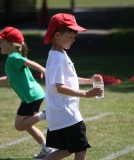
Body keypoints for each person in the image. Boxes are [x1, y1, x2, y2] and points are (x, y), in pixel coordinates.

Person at [0, 26, 54, 159]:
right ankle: (46, 149)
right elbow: (8, 80)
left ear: (10, 44)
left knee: (19, 126)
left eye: (1, 41)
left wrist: (44, 71)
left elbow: (30, 63)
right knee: (27, 125)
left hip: (31, 97)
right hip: (34, 95)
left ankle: (45, 115)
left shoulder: (13, 57)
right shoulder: (12, 58)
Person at [43, 13, 104, 160]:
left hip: (59, 113)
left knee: (66, 150)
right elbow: (60, 87)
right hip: (66, 114)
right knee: (80, 148)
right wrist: (85, 93)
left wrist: (89, 80)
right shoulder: (57, 58)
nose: (73, 40)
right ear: (57, 35)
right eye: (70, 36)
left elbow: (69, 79)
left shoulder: (58, 54)